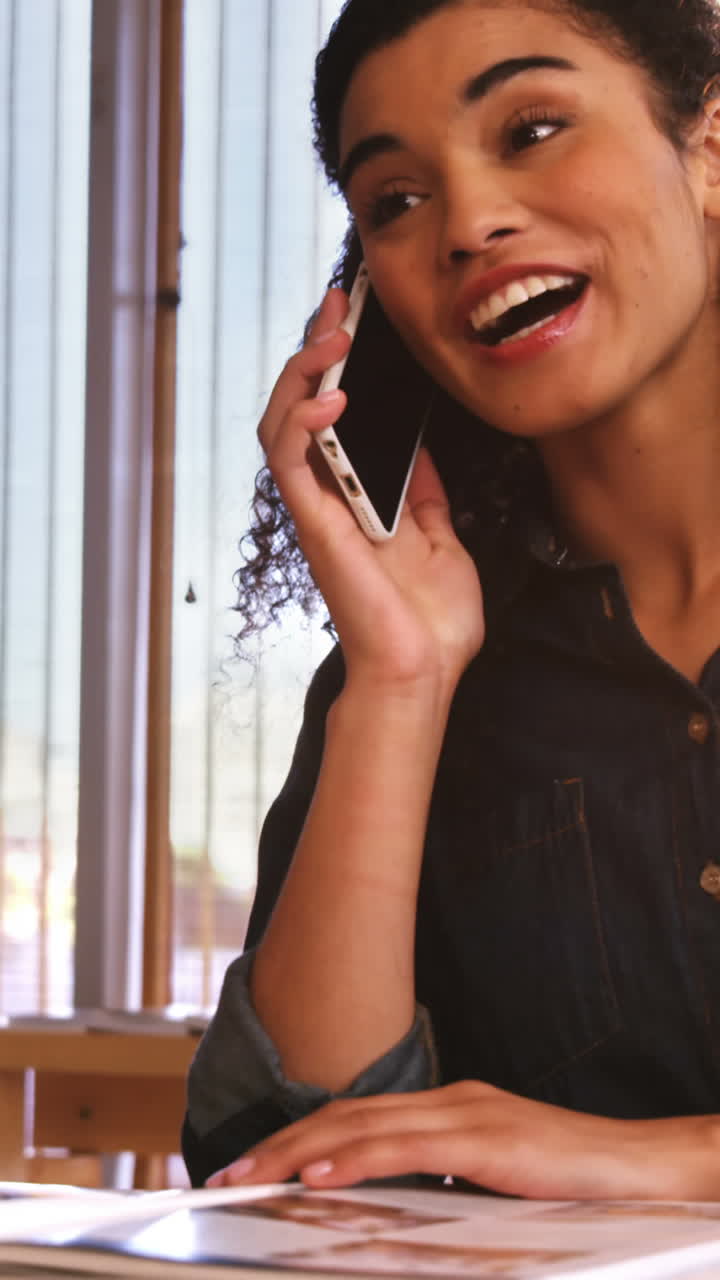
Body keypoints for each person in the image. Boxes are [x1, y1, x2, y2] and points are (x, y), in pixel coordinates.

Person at [182, 0, 720, 1200]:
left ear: (708, 151)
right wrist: (401, 681)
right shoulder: (422, 660)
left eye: (532, 129)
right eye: (396, 201)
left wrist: (648, 1159)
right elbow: (281, 1169)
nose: (469, 224)